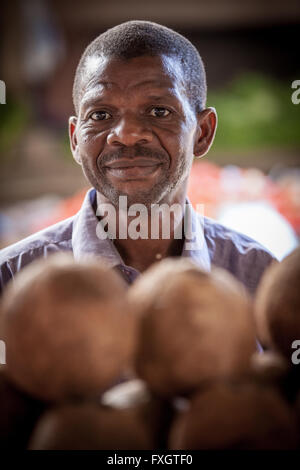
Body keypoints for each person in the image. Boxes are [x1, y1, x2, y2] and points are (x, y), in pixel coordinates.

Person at [0, 21, 276, 296]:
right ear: (75, 139)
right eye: (100, 115)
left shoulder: (258, 279)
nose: (127, 135)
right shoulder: (11, 280)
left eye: (158, 111)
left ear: (202, 133)